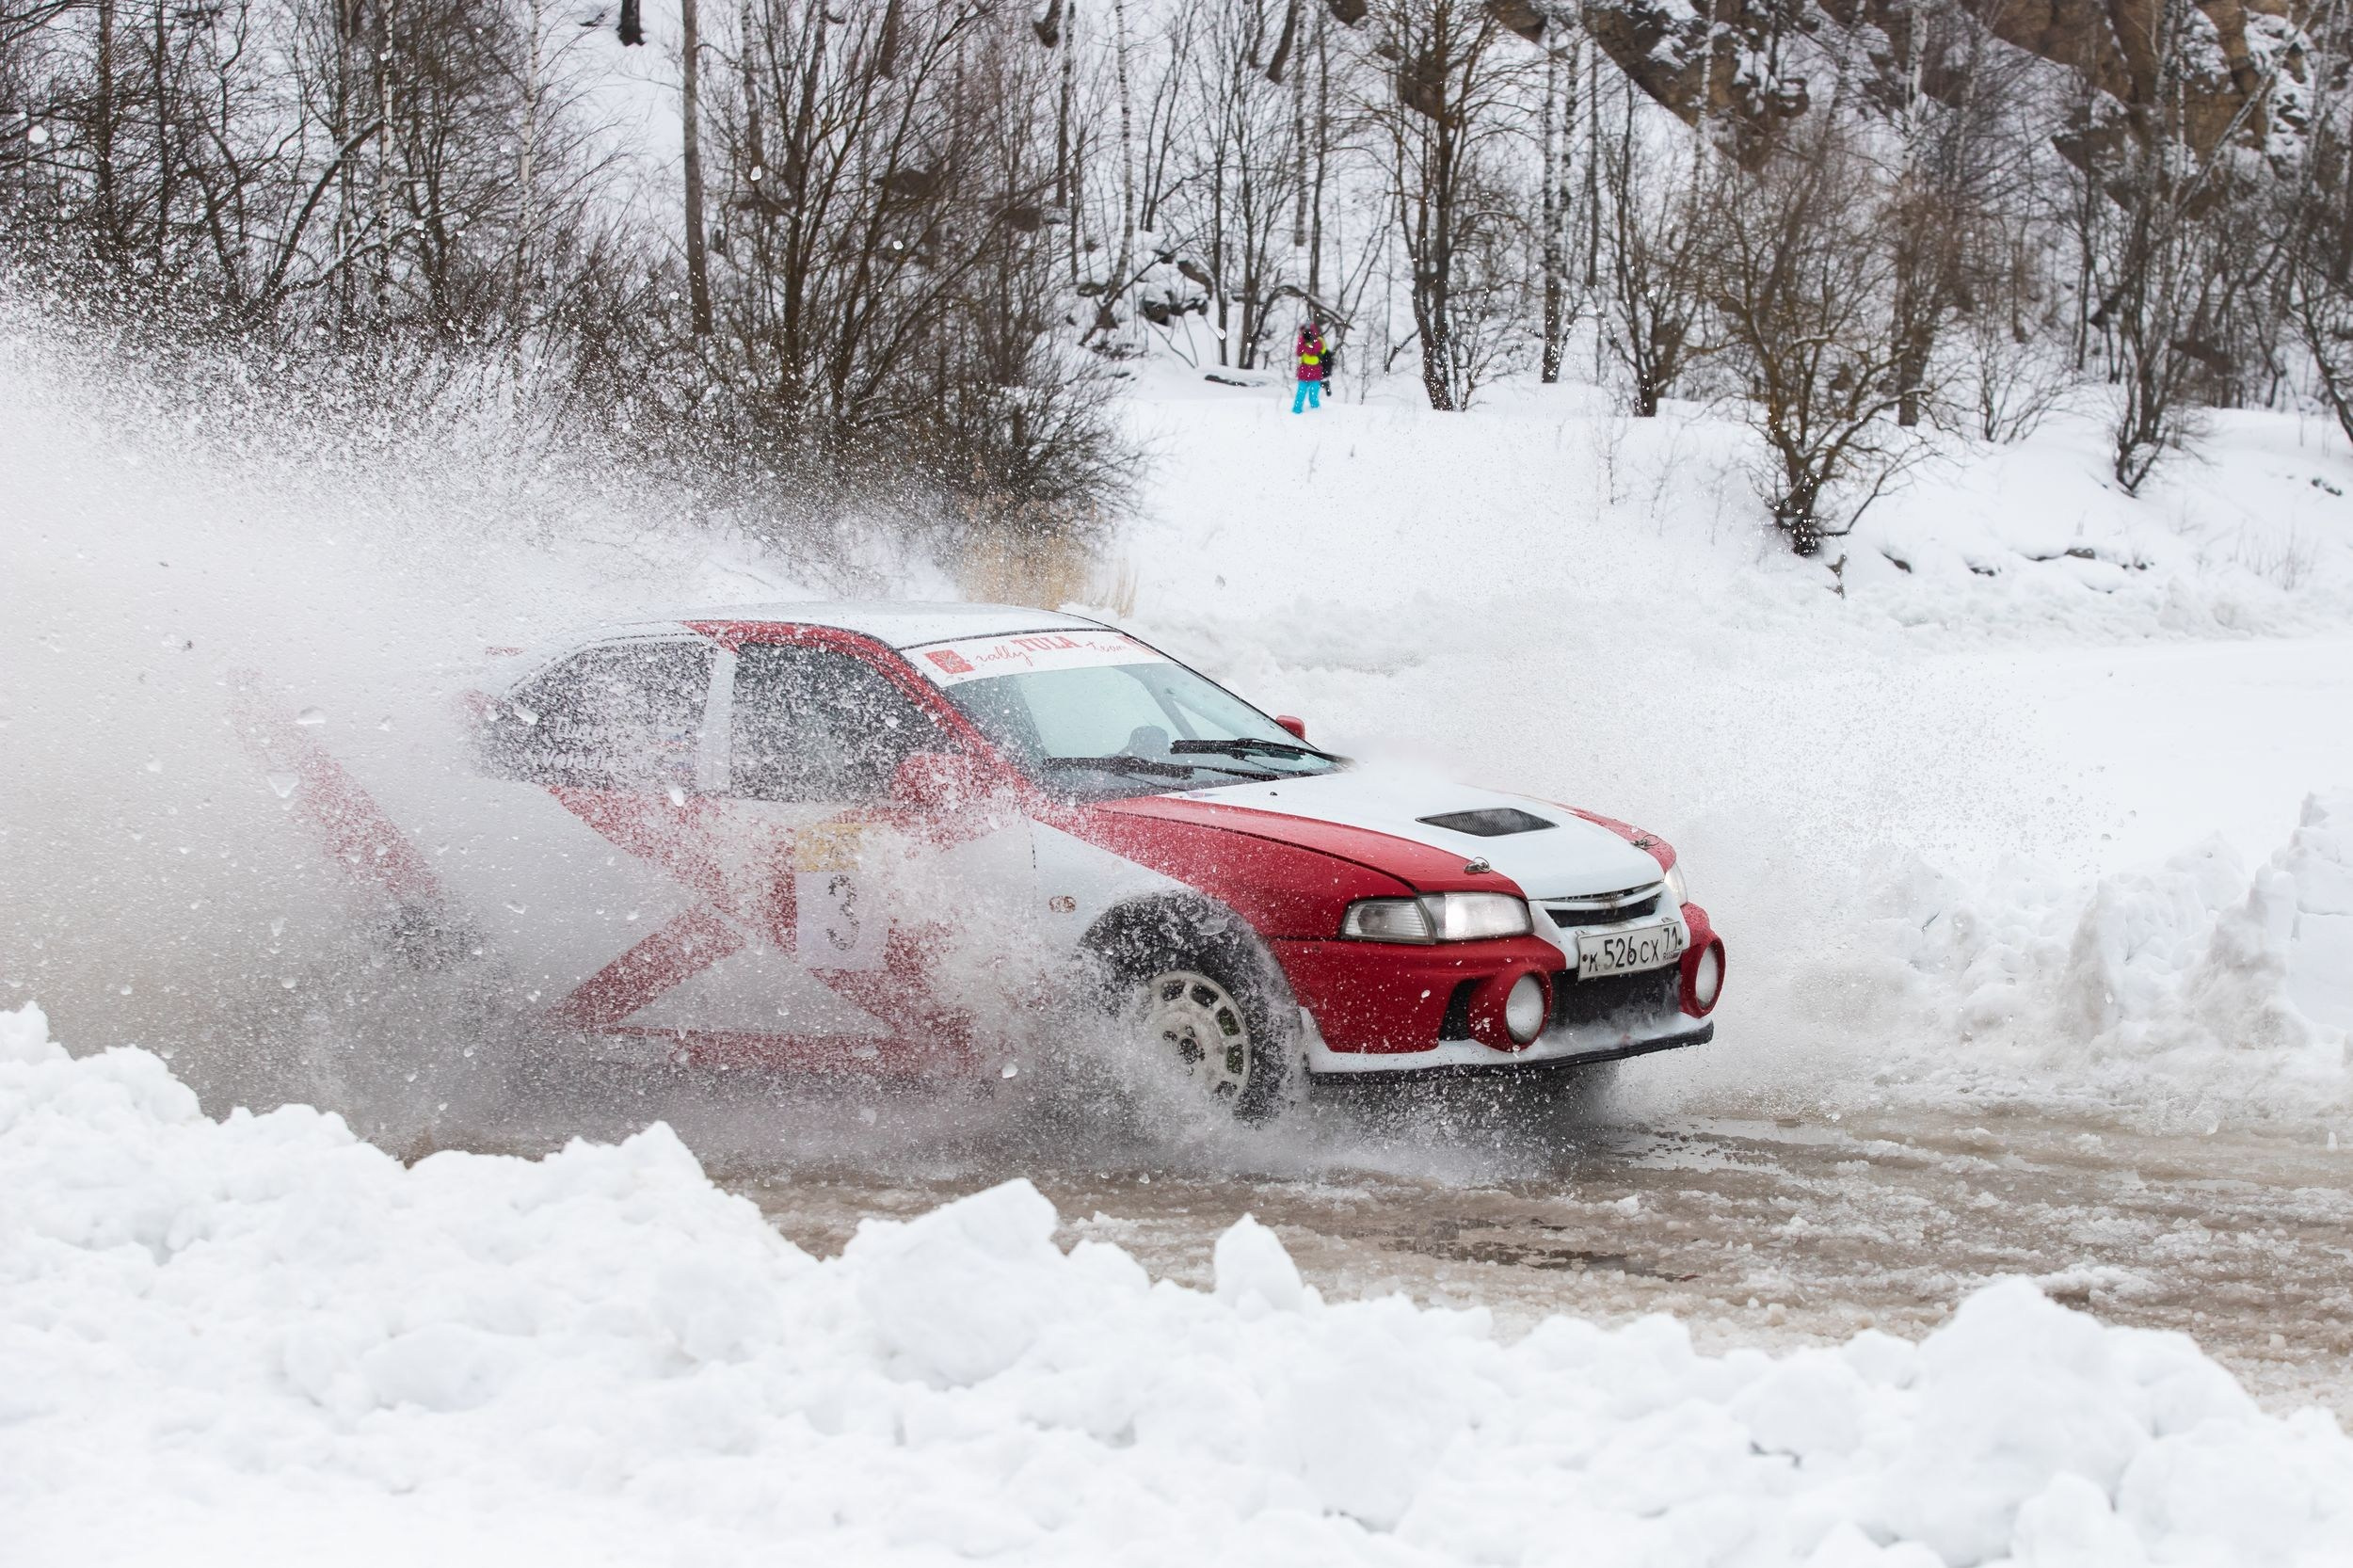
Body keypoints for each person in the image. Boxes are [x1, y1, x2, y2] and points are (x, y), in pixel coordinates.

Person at [1292, 320, 1328, 413]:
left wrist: (1310, 341)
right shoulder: (1302, 340)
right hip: (1304, 371)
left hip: (1315, 372)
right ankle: (1296, 412)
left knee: (1313, 397)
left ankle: (1316, 413)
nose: (1307, 333)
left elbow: (1314, 352)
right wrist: (1302, 340)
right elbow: (1299, 353)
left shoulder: (1319, 340)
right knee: (1300, 394)